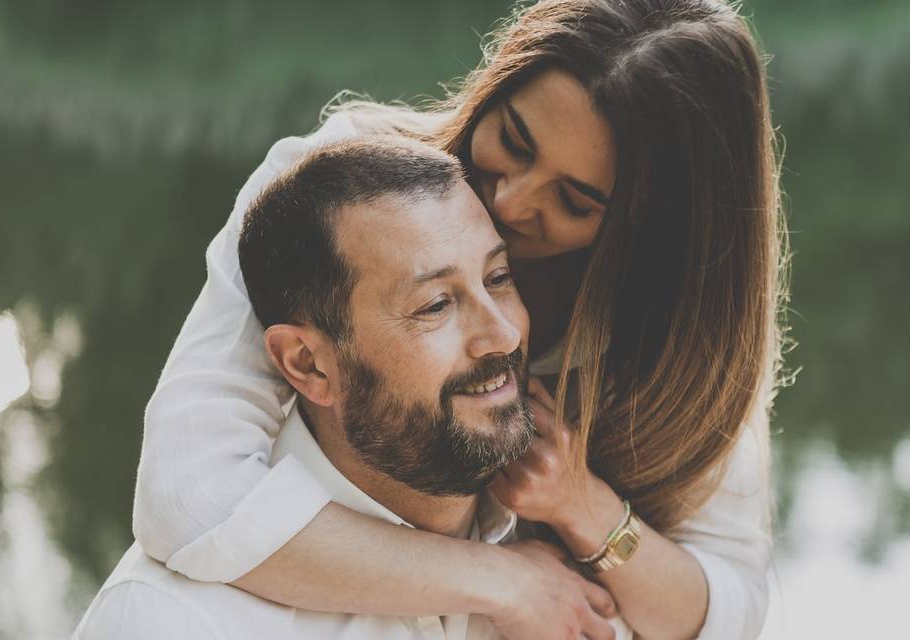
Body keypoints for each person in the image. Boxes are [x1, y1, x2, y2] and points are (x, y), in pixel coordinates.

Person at [134, 1, 786, 638]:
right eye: (514, 140)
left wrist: (580, 503)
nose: (508, 198)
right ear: (497, 86)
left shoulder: (679, 338)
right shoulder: (336, 194)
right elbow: (186, 497)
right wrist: (503, 581)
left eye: (574, 200)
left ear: (646, 227)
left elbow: (728, 612)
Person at [75, 138, 627, 640]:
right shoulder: (175, 624)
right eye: (435, 305)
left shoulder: (575, 583)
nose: (503, 334)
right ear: (310, 365)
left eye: (498, 279)